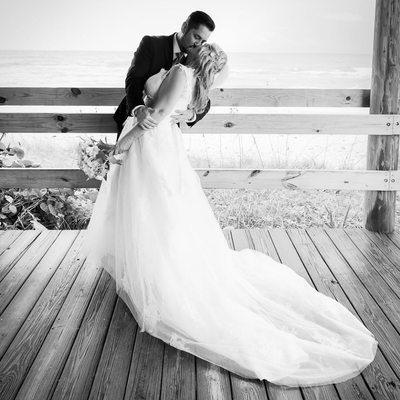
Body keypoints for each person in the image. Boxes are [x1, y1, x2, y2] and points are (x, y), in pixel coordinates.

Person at [82, 40, 378, 388]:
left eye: (198, 45)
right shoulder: (192, 82)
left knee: (156, 209)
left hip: (151, 146)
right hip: (161, 147)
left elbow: (156, 118)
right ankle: (147, 260)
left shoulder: (180, 72)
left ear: (196, 56)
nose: (193, 45)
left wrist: (119, 147)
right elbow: (173, 112)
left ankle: (160, 269)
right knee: (156, 209)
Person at [113, 10, 215, 141]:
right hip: (134, 118)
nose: (198, 45)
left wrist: (191, 114)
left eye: (203, 41)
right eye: (196, 37)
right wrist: (138, 109)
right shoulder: (151, 44)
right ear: (184, 27)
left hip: (167, 130)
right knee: (122, 160)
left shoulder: (195, 59)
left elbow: (204, 96)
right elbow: (134, 79)